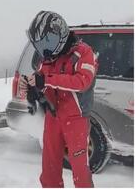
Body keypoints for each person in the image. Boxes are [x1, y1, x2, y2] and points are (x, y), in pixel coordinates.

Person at [20, 11, 98, 188]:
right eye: (40, 45)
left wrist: (46, 80)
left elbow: (82, 81)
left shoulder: (84, 53)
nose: (45, 49)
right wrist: (35, 90)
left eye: (48, 42)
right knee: (49, 169)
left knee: (80, 170)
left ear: (60, 33)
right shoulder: (47, 59)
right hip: (53, 117)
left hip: (76, 118)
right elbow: (44, 82)